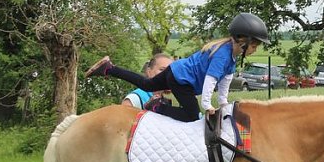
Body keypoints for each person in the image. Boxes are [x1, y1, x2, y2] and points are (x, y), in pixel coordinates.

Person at [85, 13, 270, 122]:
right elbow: (211, 79)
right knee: (192, 116)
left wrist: (223, 103)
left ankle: (109, 68)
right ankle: (158, 107)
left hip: (176, 72)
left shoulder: (231, 57)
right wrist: (207, 105)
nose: (254, 50)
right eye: (254, 46)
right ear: (242, 40)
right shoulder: (223, 54)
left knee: (147, 84)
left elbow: (225, 81)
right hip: (182, 79)